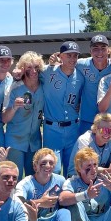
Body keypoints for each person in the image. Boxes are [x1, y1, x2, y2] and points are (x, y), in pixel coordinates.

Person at [41, 41, 85, 174]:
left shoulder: (80, 77)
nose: (72, 59)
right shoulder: (47, 72)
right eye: (68, 55)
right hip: (52, 128)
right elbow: (28, 74)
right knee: (53, 169)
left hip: (73, 128)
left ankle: (68, 195)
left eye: (75, 56)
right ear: (60, 56)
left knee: (72, 170)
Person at [2, 51, 45, 177]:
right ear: (22, 69)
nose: (34, 71)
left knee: (34, 177)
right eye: (29, 68)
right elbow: (4, 118)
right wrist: (14, 107)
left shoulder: (44, 86)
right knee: (14, 177)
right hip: (15, 141)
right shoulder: (14, 88)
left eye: (36, 67)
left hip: (35, 142)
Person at [66, 113, 111, 177]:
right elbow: (87, 168)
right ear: (95, 129)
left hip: (97, 176)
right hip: (78, 177)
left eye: (110, 131)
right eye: (103, 130)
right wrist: (109, 170)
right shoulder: (85, 140)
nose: (107, 134)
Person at [77, 34, 111, 133]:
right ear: (90, 51)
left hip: (108, 120)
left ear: (108, 50)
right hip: (86, 120)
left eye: (103, 48)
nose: (99, 52)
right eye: (95, 48)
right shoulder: (81, 64)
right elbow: (64, 65)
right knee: (85, 148)